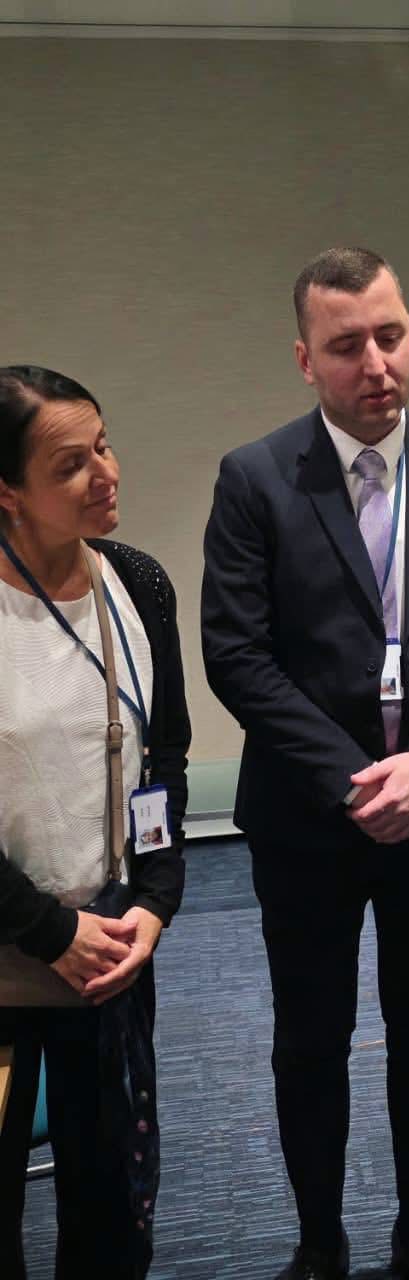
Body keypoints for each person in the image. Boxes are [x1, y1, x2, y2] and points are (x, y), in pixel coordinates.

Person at [202, 247, 409, 1280]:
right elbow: (237, 654)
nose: (376, 363)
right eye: (347, 346)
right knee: (311, 1034)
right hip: (309, 814)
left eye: (391, 335)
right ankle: (319, 1243)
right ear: (306, 359)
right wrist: (354, 776)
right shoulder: (255, 477)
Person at [0, 366, 190, 1279]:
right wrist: (50, 931)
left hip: (109, 950)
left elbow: (165, 756)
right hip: (15, 950)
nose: (105, 474)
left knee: (111, 1209)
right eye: (70, 464)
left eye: (103, 446)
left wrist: (154, 899)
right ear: (7, 491)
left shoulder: (139, 584)